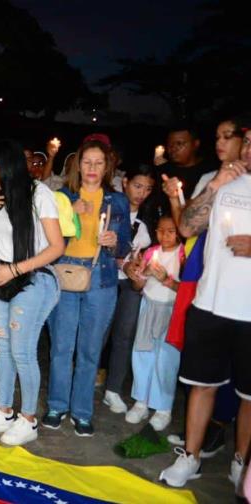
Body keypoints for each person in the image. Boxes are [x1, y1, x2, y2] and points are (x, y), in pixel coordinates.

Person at [159, 129, 251, 489]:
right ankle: (190, 458)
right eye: (248, 142)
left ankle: (242, 464)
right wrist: (214, 186)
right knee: (201, 385)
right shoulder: (221, 180)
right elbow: (186, 226)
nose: (249, 149)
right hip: (210, 303)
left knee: (249, 396)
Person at [0, 139, 64, 446]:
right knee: (5, 347)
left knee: (22, 351)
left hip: (34, 277)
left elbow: (56, 247)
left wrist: (13, 270)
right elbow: (1, 238)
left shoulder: (40, 194)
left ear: (9, 167)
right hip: (1, 277)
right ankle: (4, 410)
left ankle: (28, 419)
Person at [44, 137, 131, 437]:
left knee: (90, 350)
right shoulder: (62, 197)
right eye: (87, 162)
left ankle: (82, 412)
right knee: (61, 346)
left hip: (101, 279)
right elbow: (47, 241)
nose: (92, 168)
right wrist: (70, 216)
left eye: (98, 163)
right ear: (77, 165)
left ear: (107, 166)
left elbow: (125, 247)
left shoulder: (117, 200)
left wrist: (115, 242)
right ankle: (56, 405)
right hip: (66, 273)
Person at [102, 164, 155, 413]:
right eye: (137, 186)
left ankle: (113, 390)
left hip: (129, 286)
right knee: (98, 335)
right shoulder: (110, 211)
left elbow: (140, 258)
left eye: (147, 189)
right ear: (125, 183)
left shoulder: (144, 226)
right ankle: (81, 382)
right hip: (105, 280)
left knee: (124, 337)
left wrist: (135, 267)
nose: (141, 193)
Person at [123, 216, 184, 431]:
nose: (165, 235)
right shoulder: (151, 253)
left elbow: (187, 289)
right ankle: (141, 401)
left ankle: (163, 407)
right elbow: (138, 286)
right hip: (148, 307)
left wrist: (166, 279)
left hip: (170, 311)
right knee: (142, 353)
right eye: (160, 231)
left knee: (165, 360)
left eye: (171, 231)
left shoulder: (183, 255)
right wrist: (141, 275)